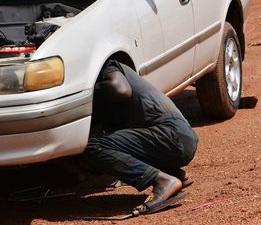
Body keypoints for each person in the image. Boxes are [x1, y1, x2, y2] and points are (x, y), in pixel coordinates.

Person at [83, 60, 198, 214]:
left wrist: (82, 93)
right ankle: (174, 174)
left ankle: (163, 181)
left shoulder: (104, 64)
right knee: (113, 140)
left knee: (93, 146)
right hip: (179, 137)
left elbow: (121, 90)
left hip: (171, 135)